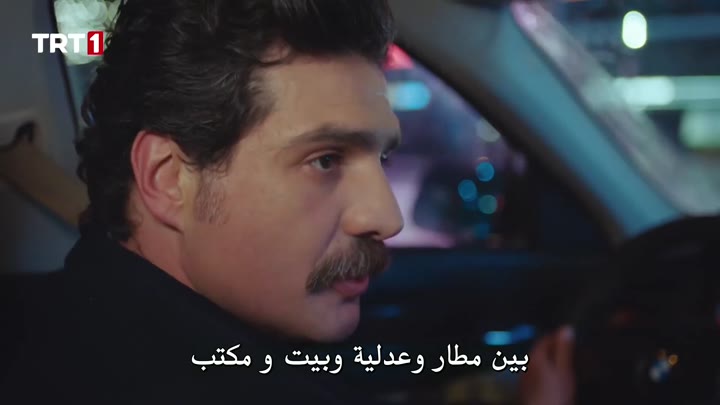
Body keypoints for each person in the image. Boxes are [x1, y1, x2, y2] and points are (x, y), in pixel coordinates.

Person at [1, 0, 574, 403]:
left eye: (381, 158)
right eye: (325, 160)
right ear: (169, 178)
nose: (387, 217)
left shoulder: (48, 323)